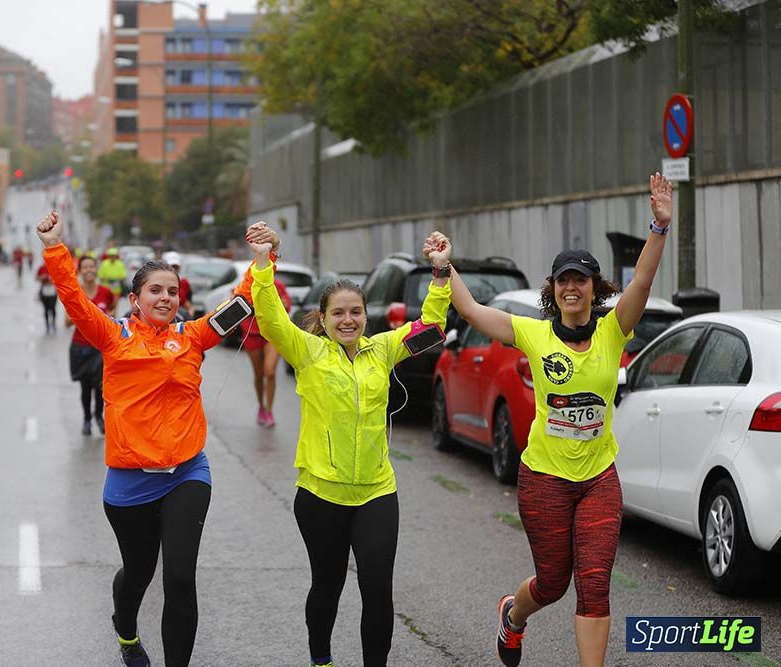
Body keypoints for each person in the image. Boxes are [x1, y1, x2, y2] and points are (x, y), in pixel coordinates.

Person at [442, 174, 673, 667]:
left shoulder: (614, 330)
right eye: (563, 280)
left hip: (598, 479)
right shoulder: (534, 333)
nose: (571, 287)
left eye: (580, 280)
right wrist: (444, 267)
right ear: (553, 289)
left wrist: (659, 227)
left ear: (593, 288)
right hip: (544, 478)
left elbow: (643, 281)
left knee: (595, 583)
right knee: (552, 583)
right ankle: (513, 616)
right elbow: (473, 310)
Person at [37, 209, 267, 667]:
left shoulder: (194, 335)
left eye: (172, 291)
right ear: (135, 298)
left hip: (187, 472)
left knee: (179, 579)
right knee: (139, 573)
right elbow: (74, 299)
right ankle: (126, 631)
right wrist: (54, 247)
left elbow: (243, 303)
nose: (165, 298)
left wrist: (262, 260)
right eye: (155, 290)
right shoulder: (112, 335)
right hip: (130, 482)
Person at [245, 221, 453, 667]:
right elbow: (270, 318)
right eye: (338, 313)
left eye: (355, 312)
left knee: (377, 588)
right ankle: (321, 660)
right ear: (322, 319)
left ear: (365, 316)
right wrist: (264, 262)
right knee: (328, 585)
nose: (348, 320)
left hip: (377, 492)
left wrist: (439, 271)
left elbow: (433, 326)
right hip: (321, 495)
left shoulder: (384, 349)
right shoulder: (308, 352)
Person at [64, 254, 114, 435]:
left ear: (96, 269)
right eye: (85, 267)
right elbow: (66, 322)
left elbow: (112, 316)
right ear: (80, 271)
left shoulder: (106, 293)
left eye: (91, 266)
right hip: (81, 347)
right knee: (85, 387)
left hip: (100, 347)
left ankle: (98, 416)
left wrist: (105, 317)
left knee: (100, 386)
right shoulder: (75, 294)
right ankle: (86, 419)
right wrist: (83, 314)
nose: (89, 270)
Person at [240, 273, 291, 427]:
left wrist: (274, 299)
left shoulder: (277, 285)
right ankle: (261, 407)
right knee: (258, 375)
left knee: (270, 372)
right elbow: (237, 306)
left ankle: (269, 411)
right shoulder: (246, 285)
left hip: (272, 334)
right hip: (252, 334)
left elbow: (287, 306)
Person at [162, 252, 192, 319]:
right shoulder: (157, 281)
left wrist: (189, 316)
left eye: (176, 267)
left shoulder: (184, 282)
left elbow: (188, 303)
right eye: (171, 266)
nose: (173, 269)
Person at [99, 246, 128, 311]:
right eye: (111, 255)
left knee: (114, 306)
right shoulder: (104, 264)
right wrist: (108, 279)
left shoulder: (120, 264)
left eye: (113, 255)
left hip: (116, 290)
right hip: (106, 289)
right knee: (106, 305)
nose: (112, 257)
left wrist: (115, 279)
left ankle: (113, 316)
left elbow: (123, 276)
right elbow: (100, 276)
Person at [37, 262, 58, 334]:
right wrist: (42, 277)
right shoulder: (41, 268)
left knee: (53, 309)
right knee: (46, 309)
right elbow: (36, 278)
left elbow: (59, 278)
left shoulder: (54, 268)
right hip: (44, 291)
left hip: (53, 291)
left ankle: (53, 323)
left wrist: (53, 279)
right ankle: (47, 326)